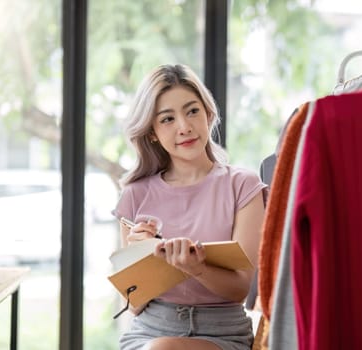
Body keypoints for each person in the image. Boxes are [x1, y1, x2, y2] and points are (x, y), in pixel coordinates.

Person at [113, 63, 267, 350]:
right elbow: (131, 304)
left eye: (192, 111)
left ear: (209, 115)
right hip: (149, 332)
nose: (184, 126)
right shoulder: (135, 195)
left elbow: (240, 290)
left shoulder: (242, 186)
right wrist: (144, 259)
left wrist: (196, 269)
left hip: (222, 334)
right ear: (152, 133)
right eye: (168, 119)